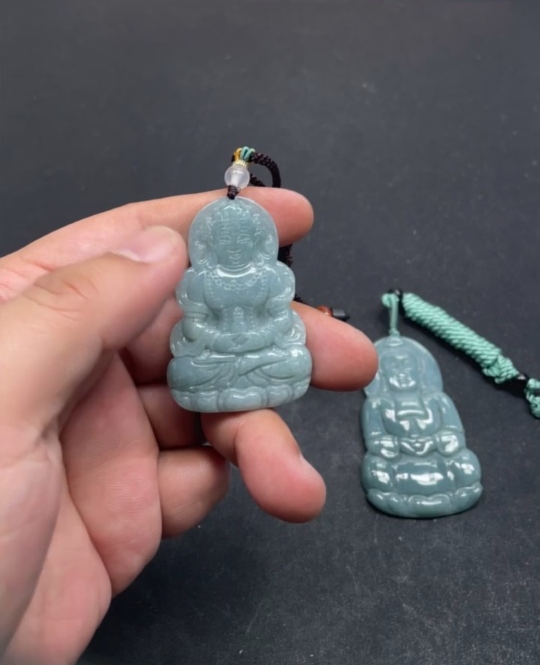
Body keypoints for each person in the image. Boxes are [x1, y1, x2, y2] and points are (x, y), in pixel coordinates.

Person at [0, 188, 377, 665]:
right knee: (189, 370)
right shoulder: (200, 281)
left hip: (258, 351)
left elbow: (282, 326)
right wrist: (221, 338)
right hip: (216, 358)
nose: (234, 248)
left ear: (258, 243)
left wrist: (253, 335)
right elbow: (193, 329)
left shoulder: (272, 277)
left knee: (290, 360)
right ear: (209, 246)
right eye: (225, 240)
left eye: (243, 240)